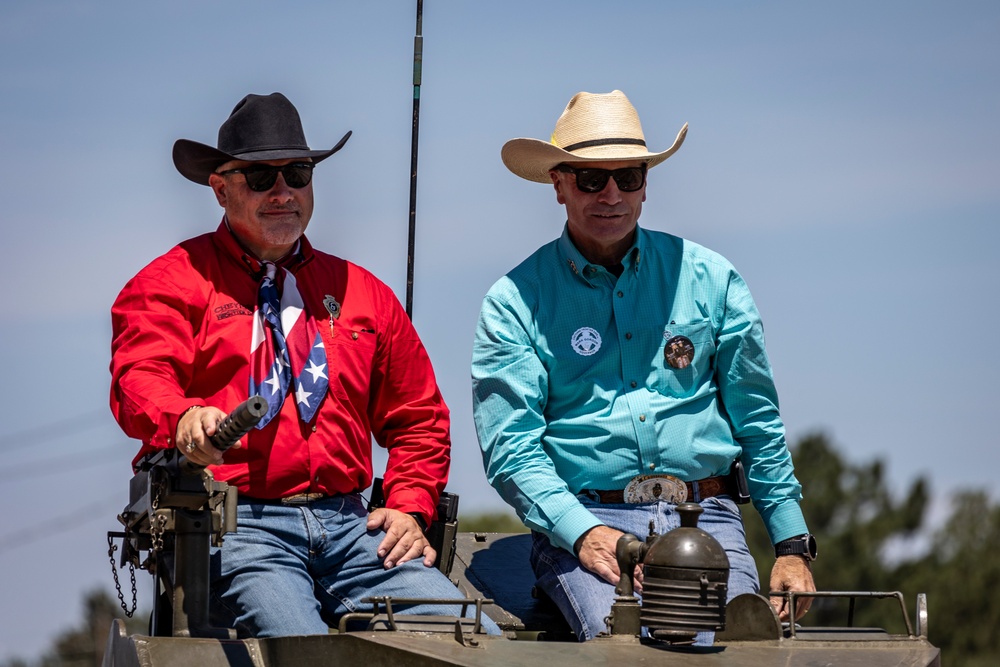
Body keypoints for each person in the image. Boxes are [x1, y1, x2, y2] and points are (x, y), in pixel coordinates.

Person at [111, 92, 497, 637]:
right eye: (261, 177)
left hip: (356, 527)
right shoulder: (172, 282)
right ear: (220, 189)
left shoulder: (363, 294)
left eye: (297, 172)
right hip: (236, 527)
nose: (283, 191)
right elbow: (139, 379)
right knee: (304, 649)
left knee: (479, 644)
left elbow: (419, 419)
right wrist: (182, 418)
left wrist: (410, 505)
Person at [471, 90, 816, 641]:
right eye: (590, 179)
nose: (611, 194)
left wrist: (792, 545)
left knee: (738, 644)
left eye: (627, 177)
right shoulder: (515, 300)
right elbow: (511, 450)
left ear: (646, 184)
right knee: (626, 645)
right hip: (585, 519)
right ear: (558, 184)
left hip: (706, 517)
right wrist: (582, 533)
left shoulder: (712, 278)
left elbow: (758, 419)